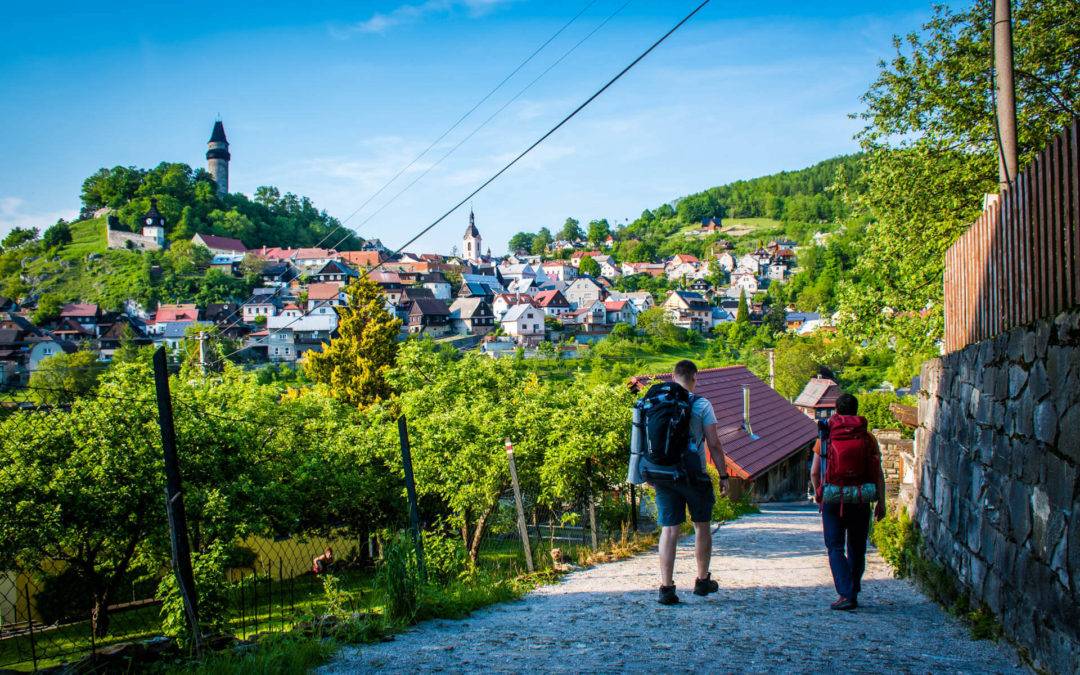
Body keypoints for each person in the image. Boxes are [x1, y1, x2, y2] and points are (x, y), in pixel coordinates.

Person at [652, 359, 729, 605]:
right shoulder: (702, 404)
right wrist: (723, 475)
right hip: (693, 474)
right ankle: (702, 581)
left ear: (673, 377)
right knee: (701, 526)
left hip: (663, 473)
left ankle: (666, 587)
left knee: (670, 529)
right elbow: (714, 443)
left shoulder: (656, 402)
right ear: (695, 377)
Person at [810, 393, 886, 610]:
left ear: (836, 410)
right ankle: (853, 589)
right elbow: (877, 472)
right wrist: (881, 501)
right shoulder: (868, 438)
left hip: (833, 497)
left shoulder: (825, 437)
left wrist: (819, 493)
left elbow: (815, 471)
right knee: (857, 546)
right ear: (856, 410)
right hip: (861, 498)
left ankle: (845, 593)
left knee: (834, 547)